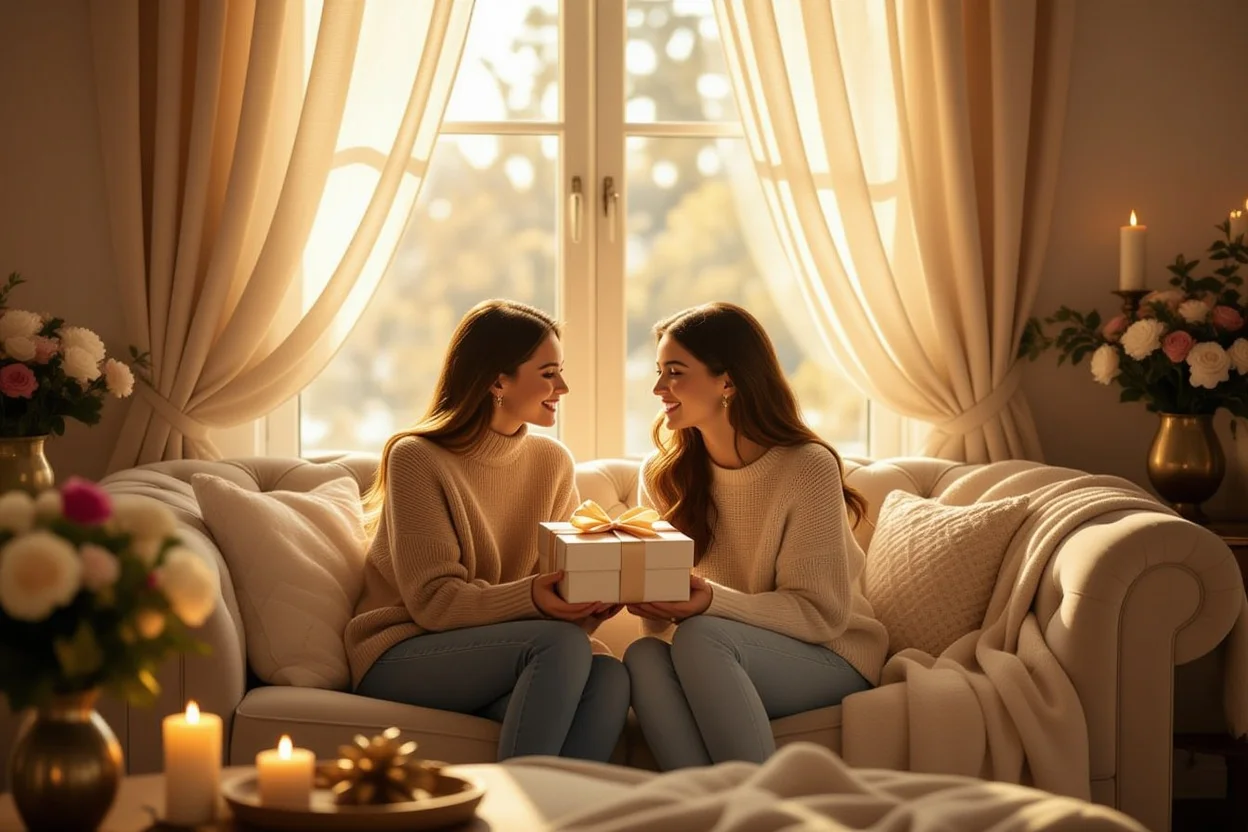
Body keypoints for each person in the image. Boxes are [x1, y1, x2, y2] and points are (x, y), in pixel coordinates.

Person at [345, 299, 629, 762]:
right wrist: (540, 598)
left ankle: (567, 816)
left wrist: (588, 604)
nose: (564, 386)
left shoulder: (552, 462)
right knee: (560, 646)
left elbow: (551, 594)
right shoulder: (417, 457)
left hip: (509, 651)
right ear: (498, 380)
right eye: (549, 372)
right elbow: (435, 603)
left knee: (609, 675)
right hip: (403, 650)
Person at [623, 302, 888, 770]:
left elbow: (820, 614)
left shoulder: (805, 467)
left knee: (702, 636)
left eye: (675, 372)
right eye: (660, 371)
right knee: (644, 655)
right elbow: (660, 629)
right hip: (718, 652)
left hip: (831, 653)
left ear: (727, 380)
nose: (658, 388)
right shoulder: (662, 474)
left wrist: (706, 602)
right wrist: (645, 595)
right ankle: (710, 809)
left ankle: (760, 812)